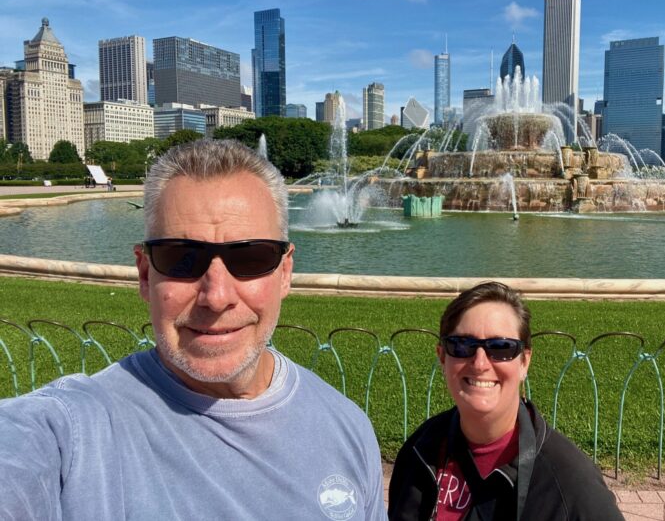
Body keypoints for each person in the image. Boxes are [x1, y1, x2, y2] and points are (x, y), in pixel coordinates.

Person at [0, 139, 386, 520]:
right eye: (182, 258)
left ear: (285, 273)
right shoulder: (72, 430)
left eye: (251, 257)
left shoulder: (347, 427)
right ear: (145, 274)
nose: (216, 297)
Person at [388, 282, 623, 520]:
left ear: (524, 362)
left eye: (501, 347)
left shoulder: (570, 483)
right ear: (442, 357)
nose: (480, 363)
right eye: (462, 345)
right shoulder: (419, 451)